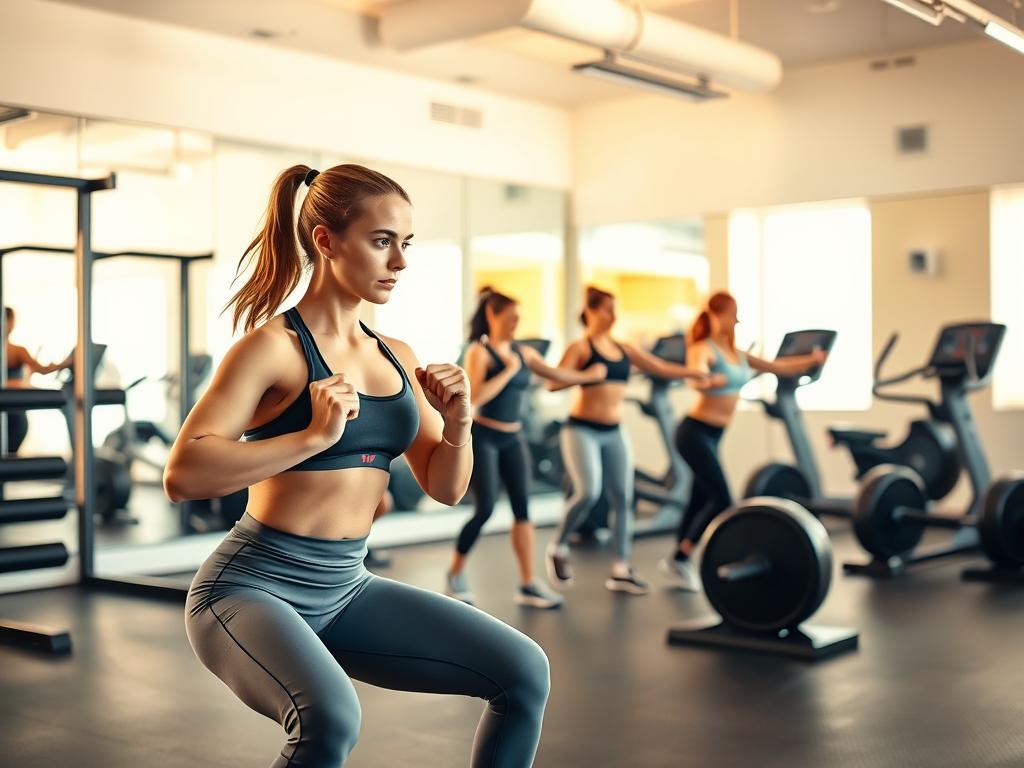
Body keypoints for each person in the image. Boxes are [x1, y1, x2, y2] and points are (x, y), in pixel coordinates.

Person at [168, 164, 549, 768]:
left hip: (346, 586)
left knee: (523, 671)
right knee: (330, 718)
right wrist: (313, 436)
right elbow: (184, 473)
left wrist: (459, 423)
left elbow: (446, 488)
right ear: (325, 240)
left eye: (405, 245)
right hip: (249, 588)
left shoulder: (398, 357)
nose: (399, 262)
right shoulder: (273, 348)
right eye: (382, 242)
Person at [545, 286, 713, 595]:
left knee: (623, 497)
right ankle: (558, 545)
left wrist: (694, 374)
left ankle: (621, 569)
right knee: (587, 492)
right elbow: (552, 382)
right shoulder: (581, 348)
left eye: (615, 309)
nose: (613, 315)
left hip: (613, 431)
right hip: (581, 429)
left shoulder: (623, 349)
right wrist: (588, 376)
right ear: (592, 312)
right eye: (608, 309)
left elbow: (659, 367)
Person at [446, 288, 607, 609]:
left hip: (514, 438)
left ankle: (528, 584)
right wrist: (506, 370)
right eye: (511, 318)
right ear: (493, 316)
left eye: (519, 318)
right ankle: (455, 572)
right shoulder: (480, 353)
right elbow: (476, 398)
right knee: (485, 509)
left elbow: (554, 374)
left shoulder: (523, 352)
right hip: (486, 437)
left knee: (523, 510)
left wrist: (587, 376)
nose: (516, 324)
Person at [659, 291, 827, 591]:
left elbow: (778, 366)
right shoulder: (704, 348)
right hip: (694, 432)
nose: (736, 318)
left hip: (713, 434)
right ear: (716, 315)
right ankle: (686, 557)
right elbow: (694, 374)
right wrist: (708, 380)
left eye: (737, 313)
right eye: (731, 312)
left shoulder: (738, 354)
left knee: (700, 498)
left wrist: (812, 359)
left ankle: (677, 559)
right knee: (723, 499)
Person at [3, 306, 72, 453]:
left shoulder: (18, 350)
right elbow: (42, 370)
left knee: (9, 457)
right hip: (13, 412)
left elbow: (39, 370)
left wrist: (64, 363)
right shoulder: (17, 350)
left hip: (16, 413)